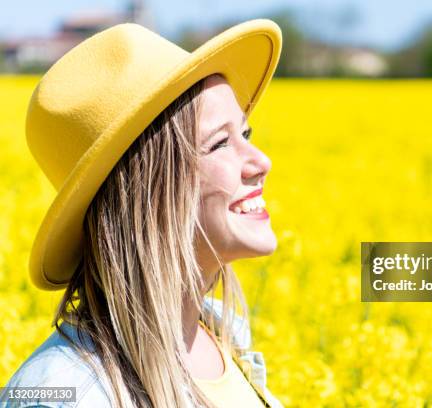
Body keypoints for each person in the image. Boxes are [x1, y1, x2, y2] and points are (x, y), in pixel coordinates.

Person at [1, 19, 284, 408]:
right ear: (144, 192)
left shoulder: (222, 339)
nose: (261, 162)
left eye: (246, 135)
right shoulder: (64, 395)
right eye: (220, 143)